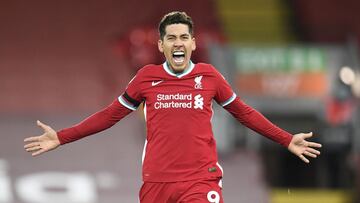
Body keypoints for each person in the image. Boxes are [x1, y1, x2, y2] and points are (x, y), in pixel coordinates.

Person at [24, 11, 322, 203]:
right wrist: (63, 137)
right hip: (157, 183)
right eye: (171, 38)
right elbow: (109, 116)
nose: (177, 43)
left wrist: (285, 138)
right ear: (161, 45)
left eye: (183, 37)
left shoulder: (209, 76)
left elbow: (244, 113)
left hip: (199, 180)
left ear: (192, 43)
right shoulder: (145, 78)